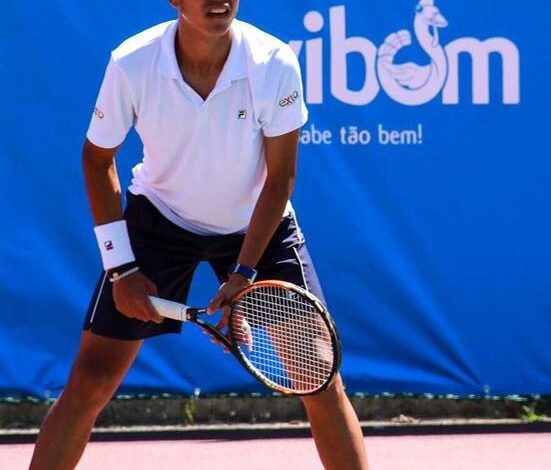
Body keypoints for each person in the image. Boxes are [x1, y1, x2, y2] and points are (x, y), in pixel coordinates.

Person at [30, 1, 369, 469]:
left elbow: (280, 178)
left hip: (258, 226)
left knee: (319, 377)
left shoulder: (274, 62)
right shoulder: (132, 62)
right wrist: (121, 267)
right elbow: (97, 158)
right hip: (160, 222)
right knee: (91, 380)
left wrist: (243, 273)